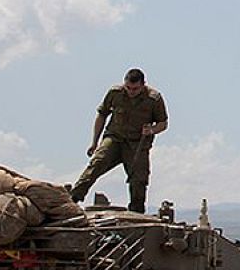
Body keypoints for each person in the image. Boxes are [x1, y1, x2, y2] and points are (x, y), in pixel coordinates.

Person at [70, 68, 168, 213]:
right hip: (115, 138)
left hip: (137, 145)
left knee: (139, 180)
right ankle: (72, 200)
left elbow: (163, 123)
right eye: (128, 87)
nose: (131, 91)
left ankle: (136, 214)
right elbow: (102, 115)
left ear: (143, 85)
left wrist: (152, 130)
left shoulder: (154, 99)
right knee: (96, 164)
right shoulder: (115, 93)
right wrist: (94, 142)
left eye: (135, 89)